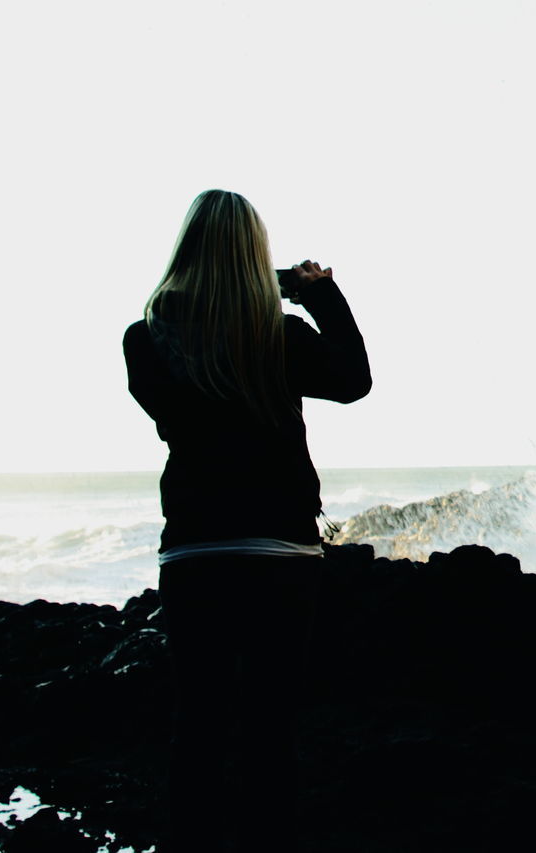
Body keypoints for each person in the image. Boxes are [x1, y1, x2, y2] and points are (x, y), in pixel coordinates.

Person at [123, 189, 371, 851]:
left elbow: (173, 416)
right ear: (256, 259)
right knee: (271, 729)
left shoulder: (146, 339)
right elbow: (354, 380)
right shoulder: (279, 336)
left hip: (196, 551)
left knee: (197, 728)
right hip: (282, 553)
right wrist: (312, 292)